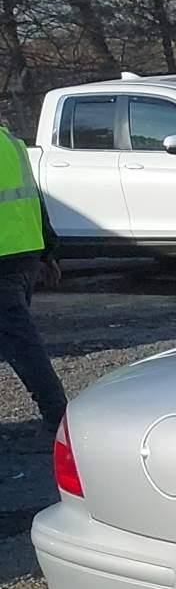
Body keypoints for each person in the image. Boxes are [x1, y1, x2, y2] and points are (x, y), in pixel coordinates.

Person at [0, 118, 68, 434]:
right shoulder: (10, 140)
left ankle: (59, 416)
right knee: (19, 341)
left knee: (22, 345)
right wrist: (47, 252)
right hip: (23, 254)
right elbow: (34, 199)